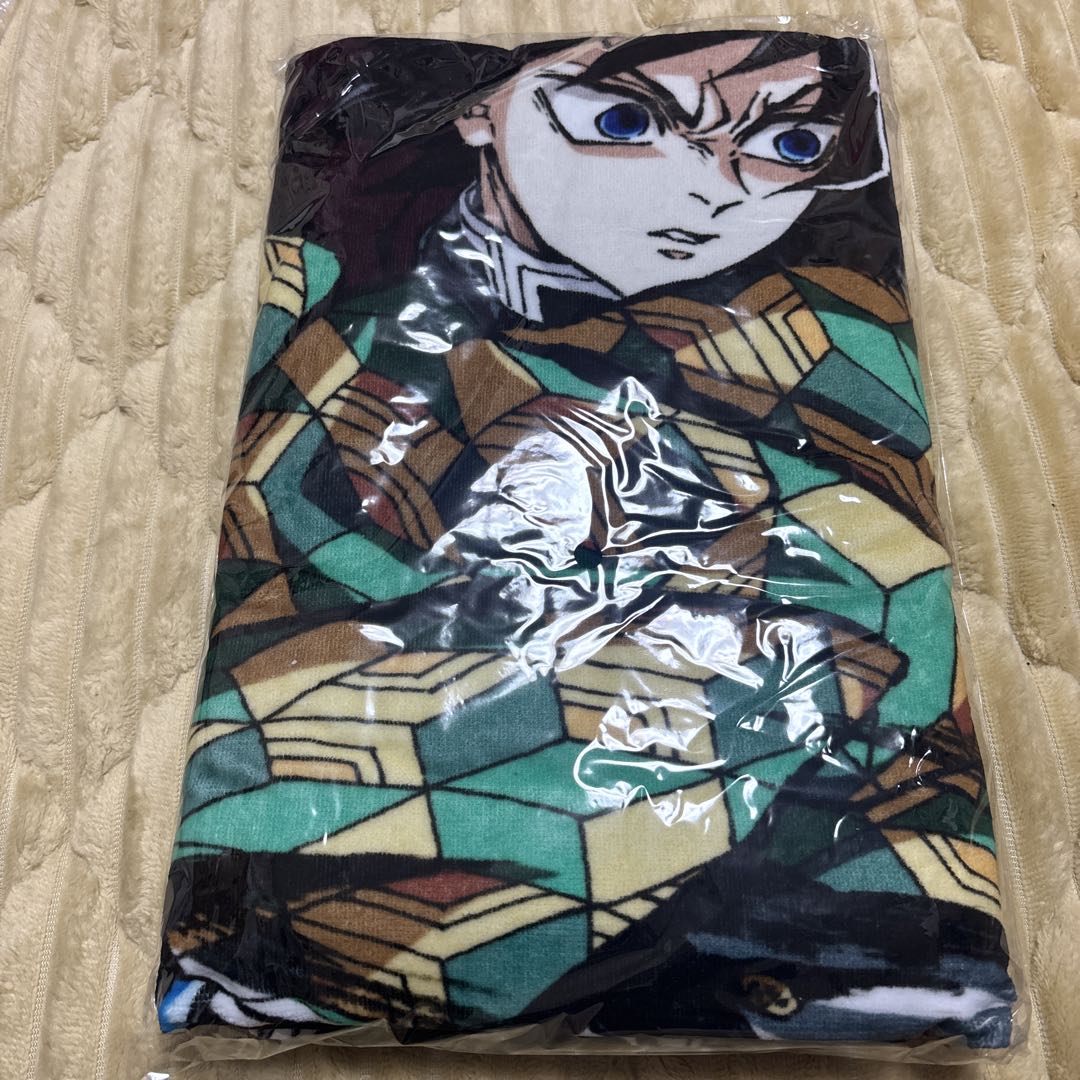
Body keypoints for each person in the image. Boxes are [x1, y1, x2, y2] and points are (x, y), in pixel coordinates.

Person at [160, 32, 1011, 1047]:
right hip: (368, 814)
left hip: (805, 845)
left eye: (789, 145)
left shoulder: (837, 330)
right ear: (478, 110)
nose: (711, 190)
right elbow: (277, 605)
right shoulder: (330, 338)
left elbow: (901, 622)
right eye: (624, 120)